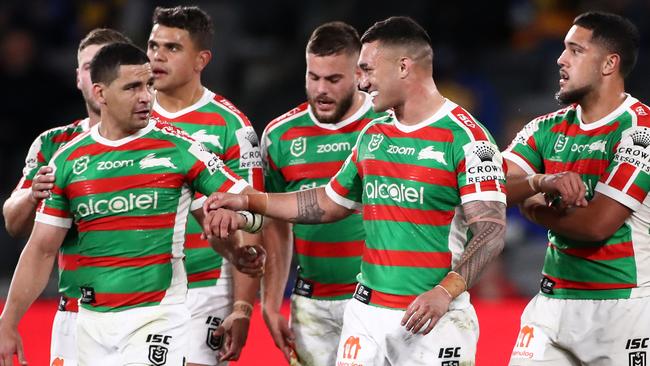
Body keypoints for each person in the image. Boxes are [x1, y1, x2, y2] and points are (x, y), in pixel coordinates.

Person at [202, 16, 507, 365]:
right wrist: (247, 199)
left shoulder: (468, 138)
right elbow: (326, 202)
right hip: (367, 315)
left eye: (367, 69)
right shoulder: (373, 135)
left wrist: (444, 292)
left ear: (404, 67)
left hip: (436, 317)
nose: (361, 83)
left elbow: (491, 230)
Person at [0, 42, 263, 366]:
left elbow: (252, 203)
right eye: (133, 87)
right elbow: (41, 249)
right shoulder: (68, 159)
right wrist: (8, 322)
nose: (146, 96)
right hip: (89, 323)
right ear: (101, 93)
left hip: (158, 318)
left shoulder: (182, 148)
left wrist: (240, 228)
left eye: (149, 84)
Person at [503, 12, 650, 365]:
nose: (560, 59)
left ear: (609, 63)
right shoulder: (545, 128)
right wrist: (539, 182)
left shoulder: (640, 131)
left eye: (575, 50)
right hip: (551, 306)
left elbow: (596, 224)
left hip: (623, 309)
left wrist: (531, 206)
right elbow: (486, 186)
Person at [1, 28, 131, 366]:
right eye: (89, 67)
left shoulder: (166, 145)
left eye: (107, 65)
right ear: (78, 78)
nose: (97, 75)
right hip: (75, 313)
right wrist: (32, 195)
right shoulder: (54, 145)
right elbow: (14, 223)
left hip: (151, 312)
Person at [260, 21, 385, 365]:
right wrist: (271, 302)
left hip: (376, 301)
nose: (321, 90)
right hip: (310, 305)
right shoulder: (279, 135)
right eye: (313, 77)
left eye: (333, 79)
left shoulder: (385, 125)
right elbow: (275, 222)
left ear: (359, 74)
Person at [146, 6, 264, 365]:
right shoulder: (130, 115)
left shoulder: (233, 126)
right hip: (141, 285)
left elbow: (253, 218)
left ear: (201, 59)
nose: (157, 57)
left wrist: (242, 307)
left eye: (172, 48)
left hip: (206, 286)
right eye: (152, 46)